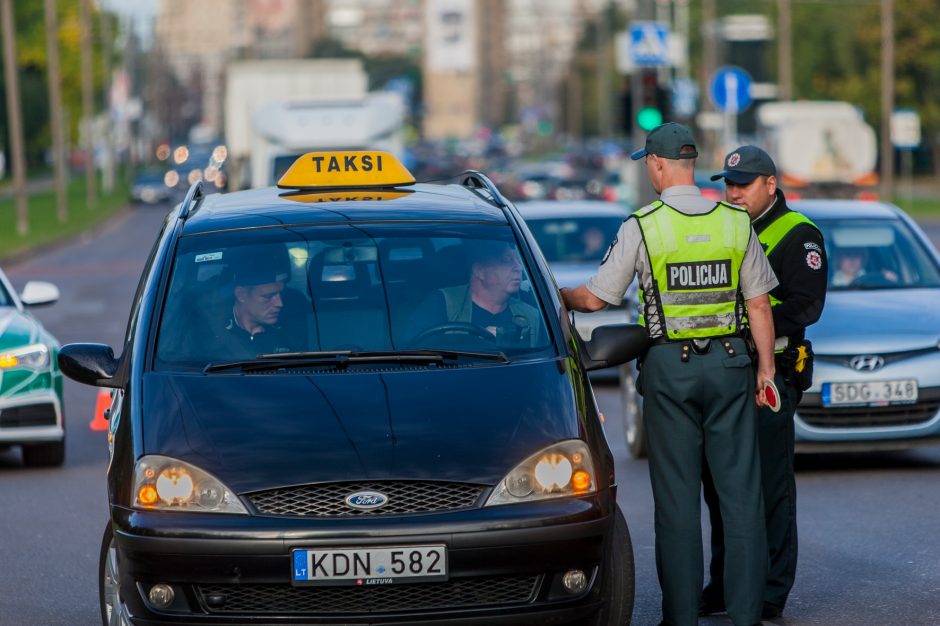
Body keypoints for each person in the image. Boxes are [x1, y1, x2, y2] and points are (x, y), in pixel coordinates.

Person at [561, 123, 778, 626]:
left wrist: (555, 296)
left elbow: (596, 298)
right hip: (730, 365)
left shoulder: (644, 225)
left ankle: (682, 615)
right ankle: (746, 615)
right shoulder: (734, 221)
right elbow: (760, 304)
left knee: (677, 500)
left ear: (657, 165)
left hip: (669, 370)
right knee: (741, 495)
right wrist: (765, 369)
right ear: (692, 164)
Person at [702, 145, 828, 621]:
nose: (733, 193)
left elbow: (805, 306)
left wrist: (750, 320)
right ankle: (726, 583)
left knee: (770, 487)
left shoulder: (798, 234)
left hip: (772, 378)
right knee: (720, 486)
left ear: (771, 186)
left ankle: (772, 590)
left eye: (744, 185)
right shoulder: (724, 225)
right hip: (726, 373)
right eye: (729, 184)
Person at [406, 240, 542, 347]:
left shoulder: (531, 315)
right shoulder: (441, 302)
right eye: (506, 260)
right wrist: (476, 342)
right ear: (479, 270)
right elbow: (413, 350)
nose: (518, 268)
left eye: (519, 261)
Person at [213, 245, 300, 357]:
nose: (280, 303)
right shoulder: (209, 331)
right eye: (268, 296)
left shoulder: (295, 326)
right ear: (241, 295)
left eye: (281, 294)